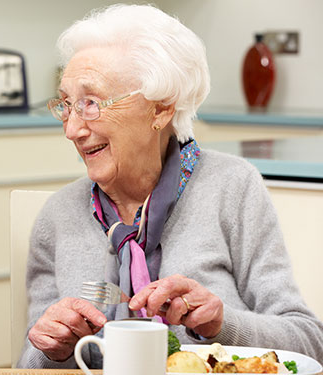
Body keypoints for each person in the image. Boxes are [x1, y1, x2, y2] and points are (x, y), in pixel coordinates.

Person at [18, 4, 323, 369]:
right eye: (67, 105)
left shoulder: (232, 188)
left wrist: (222, 324)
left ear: (160, 109)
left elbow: (309, 341)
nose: (72, 129)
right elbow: (29, 364)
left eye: (91, 103)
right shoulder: (58, 216)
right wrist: (53, 348)